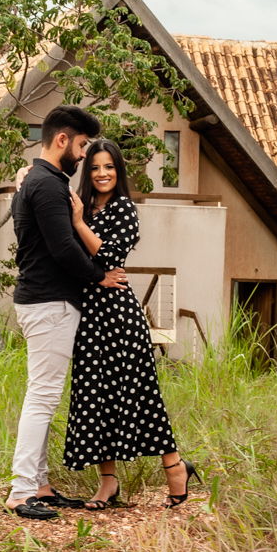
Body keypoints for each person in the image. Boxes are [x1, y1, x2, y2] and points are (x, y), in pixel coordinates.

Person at [5, 105, 129, 520]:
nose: (82, 156)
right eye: (79, 146)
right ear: (62, 140)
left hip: (39, 301)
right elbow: (62, 248)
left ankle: (38, 483)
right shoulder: (48, 185)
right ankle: (22, 491)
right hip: (50, 303)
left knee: (40, 393)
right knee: (42, 397)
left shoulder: (34, 181)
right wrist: (100, 275)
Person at [63, 139, 199, 509]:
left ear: (118, 171)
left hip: (119, 315)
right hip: (90, 315)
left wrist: (78, 223)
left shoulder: (125, 208)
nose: (102, 173)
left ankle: (175, 468)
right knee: (93, 396)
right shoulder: (82, 206)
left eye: (109, 167)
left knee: (139, 394)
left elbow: (108, 255)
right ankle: (107, 483)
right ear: (86, 172)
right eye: (94, 167)